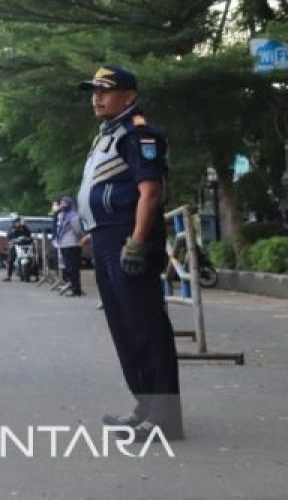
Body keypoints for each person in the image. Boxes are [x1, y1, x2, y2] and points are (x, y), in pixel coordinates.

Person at [76, 64, 182, 439]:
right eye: (94, 90)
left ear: (129, 95)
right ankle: (146, 404)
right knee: (123, 326)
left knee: (145, 325)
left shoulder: (138, 133)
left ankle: (165, 416)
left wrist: (136, 240)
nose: (97, 96)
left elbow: (150, 192)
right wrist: (94, 230)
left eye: (106, 90)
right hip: (107, 237)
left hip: (127, 239)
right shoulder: (109, 133)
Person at [53, 197, 84, 296]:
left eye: (65, 203)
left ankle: (76, 289)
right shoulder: (62, 216)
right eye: (61, 203)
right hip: (64, 244)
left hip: (73, 244)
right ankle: (72, 286)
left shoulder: (73, 216)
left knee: (73, 268)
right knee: (68, 268)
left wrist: (80, 239)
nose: (63, 205)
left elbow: (78, 230)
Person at [1, 216, 32, 282]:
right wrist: (16, 229)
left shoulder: (25, 228)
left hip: (24, 246)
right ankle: (8, 276)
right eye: (16, 222)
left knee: (31, 258)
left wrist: (23, 228)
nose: (18, 223)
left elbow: (29, 234)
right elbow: (9, 236)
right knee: (11, 260)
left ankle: (30, 274)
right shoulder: (12, 228)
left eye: (19, 222)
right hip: (15, 246)